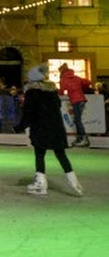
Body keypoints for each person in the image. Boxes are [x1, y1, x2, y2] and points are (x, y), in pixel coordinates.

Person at [15, 64, 83, 197]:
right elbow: (57, 106)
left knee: (40, 154)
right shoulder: (52, 92)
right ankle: (74, 181)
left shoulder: (31, 92)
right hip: (56, 127)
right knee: (61, 154)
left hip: (41, 128)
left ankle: (41, 183)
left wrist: (19, 127)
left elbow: (29, 113)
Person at [57, 63, 91, 148]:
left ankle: (83, 139)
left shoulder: (63, 79)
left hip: (75, 101)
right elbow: (88, 82)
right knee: (77, 120)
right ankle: (79, 139)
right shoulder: (76, 77)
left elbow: (61, 92)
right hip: (82, 100)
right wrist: (81, 87)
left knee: (77, 120)